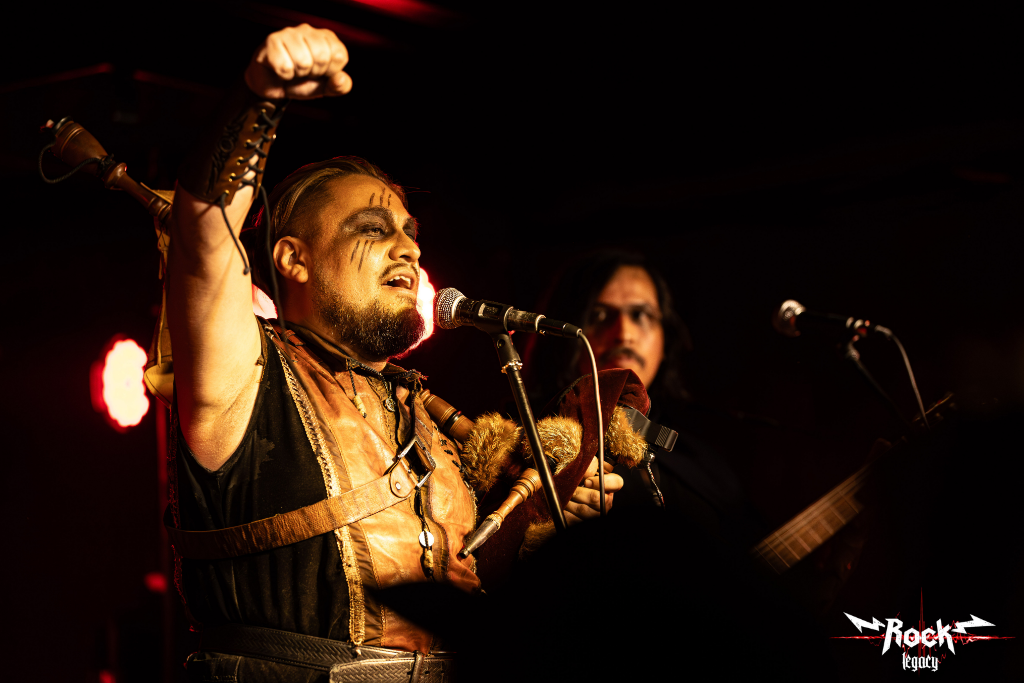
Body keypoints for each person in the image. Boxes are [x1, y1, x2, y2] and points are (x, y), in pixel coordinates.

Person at [165, 24, 613, 681]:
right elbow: (204, 229)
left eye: (410, 232)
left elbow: (479, 600)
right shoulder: (243, 376)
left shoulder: (424, 413)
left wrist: (542, 519)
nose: (408, 248)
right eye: (373, 229)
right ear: (293, 258)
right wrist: (258, 98)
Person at [522, 250, 759, 543]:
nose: (624, 333)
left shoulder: (702, 464)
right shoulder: (527, 446)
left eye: (642, 315)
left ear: (665, 339)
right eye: (599, 315)